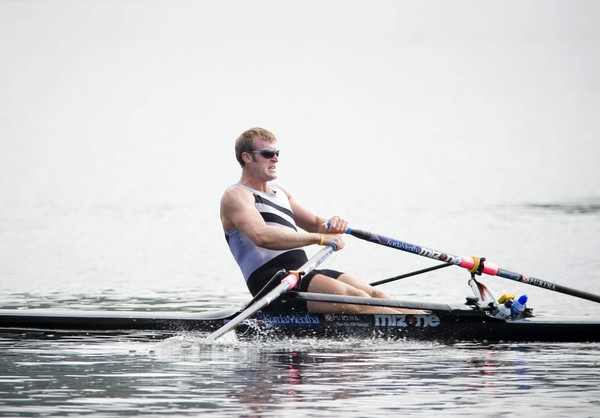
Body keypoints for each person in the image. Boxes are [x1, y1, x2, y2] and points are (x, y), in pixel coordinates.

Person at [220, 127, 410, 314]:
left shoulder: (281, 192)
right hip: (271, 283)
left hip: (300, 273)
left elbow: (316, 224)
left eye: (277, 153)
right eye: (268, 153)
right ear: (247, 157)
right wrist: (319, 238)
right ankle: (414, 327)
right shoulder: (236, 195)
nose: (275, 158)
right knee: (357, 299)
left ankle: (426, 320)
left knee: (375, 294)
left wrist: (333, 224)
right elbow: (262, 236)